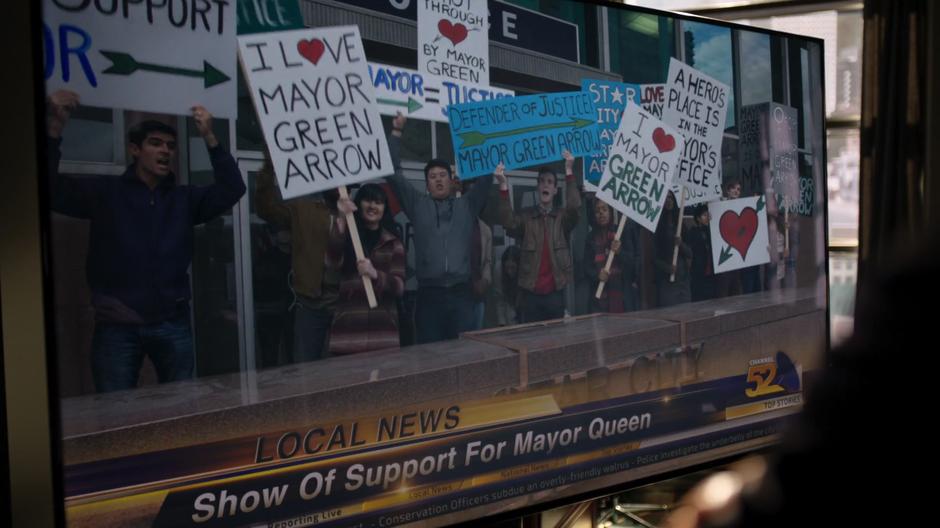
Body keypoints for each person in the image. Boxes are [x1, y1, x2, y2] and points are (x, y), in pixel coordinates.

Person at [46, 90, 246, 392]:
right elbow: (49, 190)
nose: (165, 151)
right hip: (117, 326)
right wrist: (54, 130)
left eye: (170, 146)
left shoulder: (183, 199)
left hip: (171, 322)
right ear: (134, 150)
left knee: (181, 412)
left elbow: (233, 188)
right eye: (155, 143)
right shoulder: (106, 194)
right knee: (116, 416)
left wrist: (209, 136)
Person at [384, 113, 493, 343]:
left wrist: (482, 136)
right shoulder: (417, 205)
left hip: (462, 294)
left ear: (452, 181)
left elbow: (485, 179)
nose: (438, 180)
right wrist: (396, 132)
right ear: (427, 184)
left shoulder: (467, 205)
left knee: (463, 354)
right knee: (430, 356)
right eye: (432, 177)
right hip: (428, 296)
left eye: (443, 175)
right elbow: (392, 172)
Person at [255, 159, 340, 363]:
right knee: (305, 370)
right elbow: (266, 209)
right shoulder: (302, 208)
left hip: (343, 302)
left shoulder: (354, 211)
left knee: (344, 370)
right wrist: (269, 167)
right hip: (311, 302)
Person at [494, 151, 582, 323]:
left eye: (549, 182)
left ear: (555, 190)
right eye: (541, 182)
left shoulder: (562, 219)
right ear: (537, 187)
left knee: (556, 342)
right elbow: (508, 222)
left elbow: (575, 208)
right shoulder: (527, 218)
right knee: (533, 343)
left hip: (555, 294)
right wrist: (503, 185)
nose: (545, 185)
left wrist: (569, 171)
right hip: (530, 296)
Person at [326, 184, 405, 354]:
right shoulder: (347, 235)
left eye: (378, 202)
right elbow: (331, 262)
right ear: (358, 204)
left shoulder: (394, 244)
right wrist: (341, 218)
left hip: (383, 331)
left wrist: (375, 274)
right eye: (368, 201)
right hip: (349, 329)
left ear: (385, 208)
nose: (372, 206)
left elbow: (399, 287)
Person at [584, 198, 638, 313]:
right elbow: (586, 267)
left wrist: (620, 252)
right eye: (597, 211)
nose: (601, 213)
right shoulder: (590, 238)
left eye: (604, 209)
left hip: (622, 298)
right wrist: (597, 275)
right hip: (599, 301)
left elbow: (633, 263)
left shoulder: (621, 233)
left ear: (610, 212)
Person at [654, 191, 692, 307]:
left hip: (683, 280)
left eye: (670, 198)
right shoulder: (658, 226)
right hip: (667, 281)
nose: (668, 201)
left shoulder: (681, 225)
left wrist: (680, 244)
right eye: (665, 198)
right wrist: (668, 268)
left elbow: (690, 253)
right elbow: (654, 257)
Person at [686, 204, 717, 302]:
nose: (707, 217)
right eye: (704, 215)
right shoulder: (693, 232)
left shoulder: (711, 230)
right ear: (698, 218)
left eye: (708, 215)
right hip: (698, 272)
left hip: (711, 272)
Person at [495, 246, 521, 326]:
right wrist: (502, 323)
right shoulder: (499, 270)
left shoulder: (524, 271)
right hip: (508, 313)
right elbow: (500, 299)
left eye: (513, 268)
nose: (509, 271)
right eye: (507, 268)